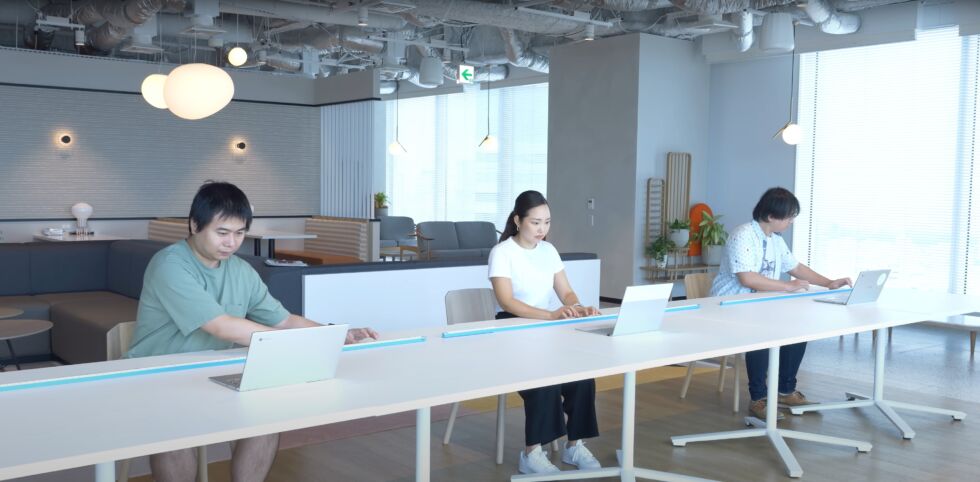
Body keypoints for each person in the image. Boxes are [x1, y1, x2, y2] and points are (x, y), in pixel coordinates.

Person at [127, 181, 378, 482]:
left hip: (212, 371)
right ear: (194, 225)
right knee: (175, 430)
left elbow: (283, 321)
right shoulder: (170, 264)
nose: (231, 243)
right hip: (157, 373)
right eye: (222, 232)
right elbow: (220, 326)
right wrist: (285, 342)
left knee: (268, 418)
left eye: (239, 233)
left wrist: (335, 333)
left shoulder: (241, 270)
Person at [710, 187, 852, 420]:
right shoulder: (743, 234)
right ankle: (759, 399)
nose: (791, 222)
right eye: (788, 217)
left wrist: (829, 283)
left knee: (798, 328)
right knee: (762, 334)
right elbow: (747, 278)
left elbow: (795, 267)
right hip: (730, 304)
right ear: (770, 216)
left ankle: (784, 390)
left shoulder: (775, 240)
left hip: (761, 304)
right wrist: (789, 286)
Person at [487, 190, 603, 475]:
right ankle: (531, 453)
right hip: (512, 329)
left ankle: (574, 446)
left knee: (582, 376)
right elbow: (507, 301)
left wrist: (577, 306)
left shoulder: (549, 251)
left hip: (546, 330)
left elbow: (565, 290)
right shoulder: (502, 253)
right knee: (546, 379)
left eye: (547, 222)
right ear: (517, 220)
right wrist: (550, 314)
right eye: (535, 222)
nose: (542, 229)